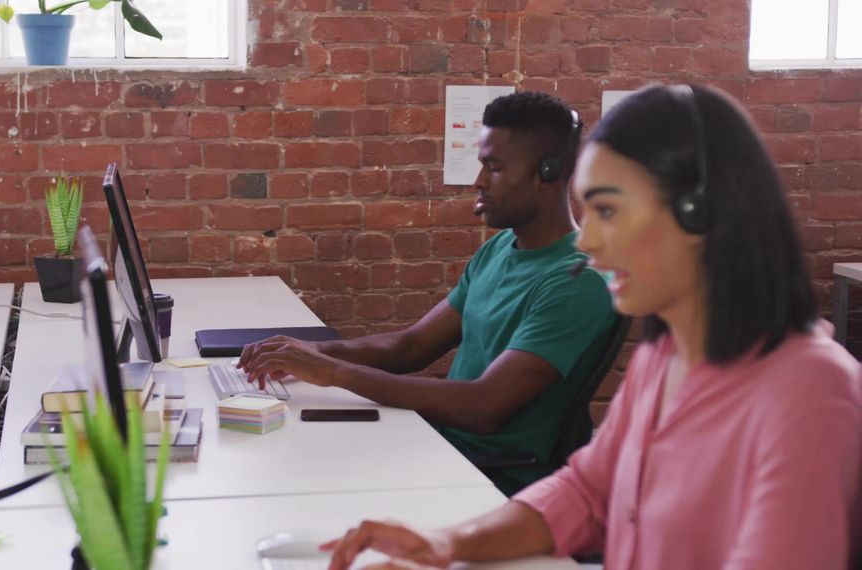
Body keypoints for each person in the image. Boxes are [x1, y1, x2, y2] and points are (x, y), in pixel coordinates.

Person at [322, 84, 862, 570]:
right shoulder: (665, 355)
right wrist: (447, 542)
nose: (587, 241)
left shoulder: (808, 390)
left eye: (608, 211)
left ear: (696, 213)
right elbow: (588, 492)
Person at [238, 91, 616, 495]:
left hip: (489, 477)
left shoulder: (577, 279)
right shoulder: (500, 248)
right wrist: (310, 353)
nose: (479, 181)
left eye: (494, 167)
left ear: (548, 172)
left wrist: (333, 373)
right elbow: (410, 347)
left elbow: (484, 406)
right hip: (439, 445)